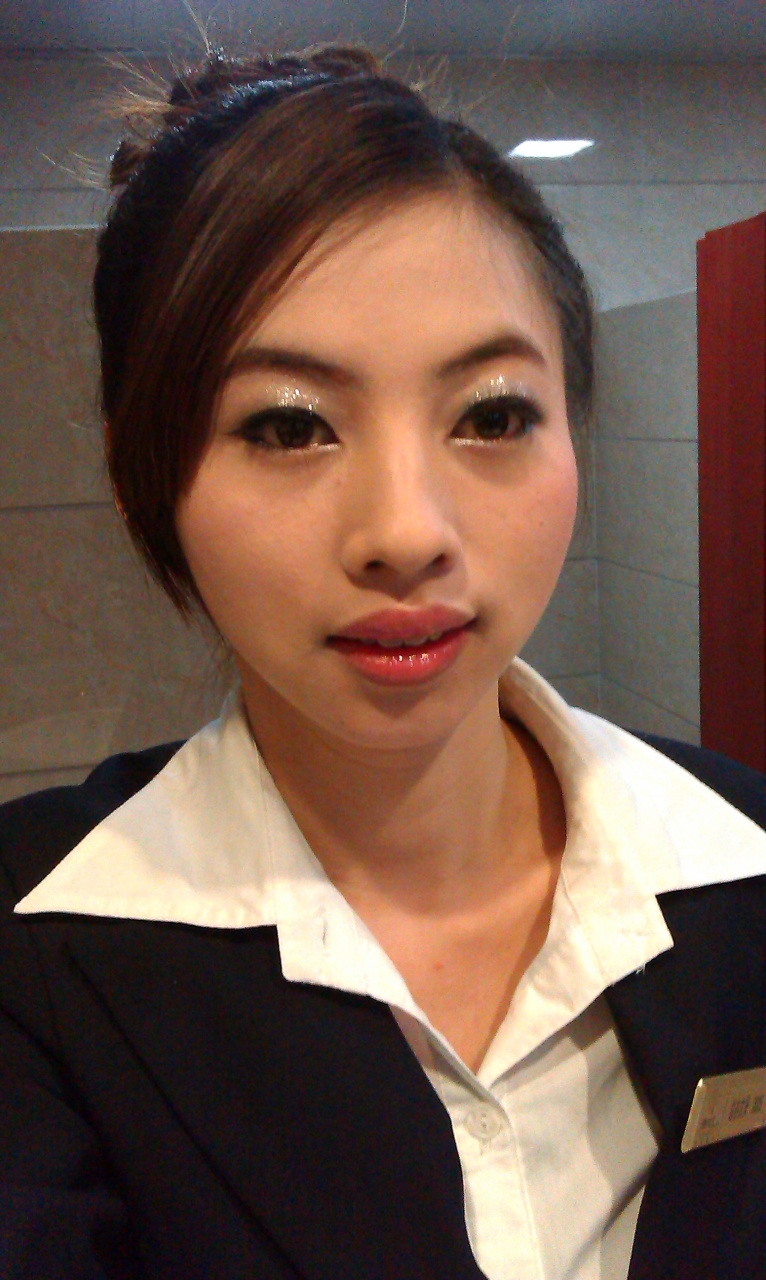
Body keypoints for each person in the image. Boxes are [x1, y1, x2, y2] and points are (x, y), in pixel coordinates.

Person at [1, 42, 765, 1280]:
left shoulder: (745, 859)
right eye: (288, 425)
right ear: (149, 478)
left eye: (492, 414)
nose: (407, 533)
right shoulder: (39, 950)